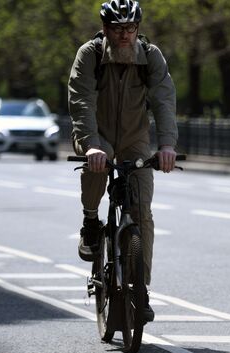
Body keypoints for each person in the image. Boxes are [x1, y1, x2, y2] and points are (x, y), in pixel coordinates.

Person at [68, 0, 178, 321]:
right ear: (105, 29)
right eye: (117, 29)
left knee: (141, 212)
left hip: (135, 140)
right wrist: (90, 145)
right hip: (96, 134)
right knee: (96, 168)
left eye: (130, 28)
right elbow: (81, 100)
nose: (125, 35)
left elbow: (164, 101)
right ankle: (91, 220)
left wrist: (167, 146)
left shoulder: (151, 57)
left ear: (138, 29)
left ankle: (140, 291)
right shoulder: (89, 56)